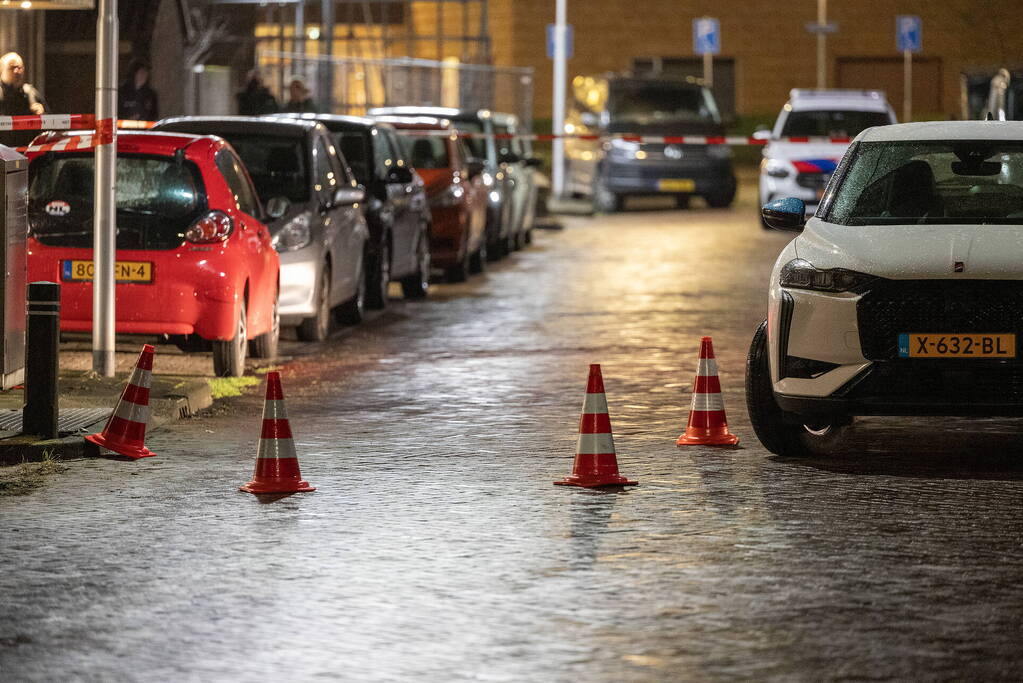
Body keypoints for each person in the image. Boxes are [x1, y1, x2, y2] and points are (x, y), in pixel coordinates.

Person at [0, 52, 46, 148]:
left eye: (20, 68)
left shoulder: (31, 93)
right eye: (12, 68)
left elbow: (51, 123)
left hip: (26, 150)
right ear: (1, 70)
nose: (17, 71)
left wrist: (42, 114)